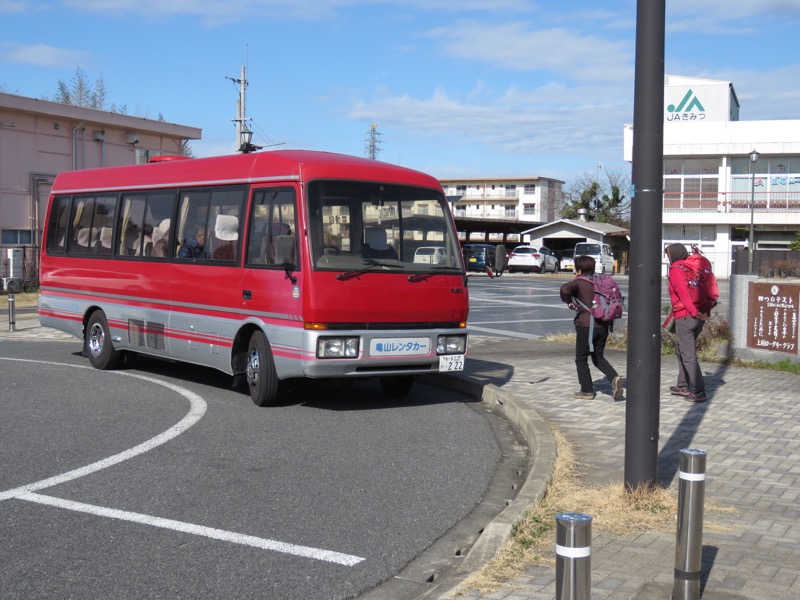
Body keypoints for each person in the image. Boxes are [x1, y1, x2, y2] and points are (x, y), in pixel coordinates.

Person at [559, 255, 624, 400]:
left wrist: (569, 302)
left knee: (581, 358)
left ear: (579, 268)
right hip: (603, 325)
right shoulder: (599, 281)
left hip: (586, 326)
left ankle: (587, 390)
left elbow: (564, 290)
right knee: (598, 357)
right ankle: (614, 377)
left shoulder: (579, 282)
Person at [665, 243, 709, 403]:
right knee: (680, 349)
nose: (667, 258)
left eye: (667, 254)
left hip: (686, 316)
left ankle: (699, 391)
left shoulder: (676, 269)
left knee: (688, 355)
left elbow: (683, 293)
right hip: (698, 316)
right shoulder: (691, 268)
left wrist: (692, 312)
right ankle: (682, 385)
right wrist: (701, 313)